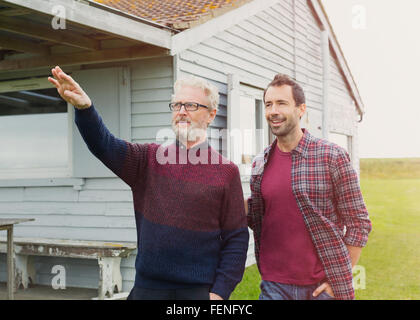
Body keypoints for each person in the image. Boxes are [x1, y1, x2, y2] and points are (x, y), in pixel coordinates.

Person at [48, 66, 249, 300]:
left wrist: (219, 293)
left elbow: (236, 239)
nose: (182, 111)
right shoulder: (148, 159)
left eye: (191, 106)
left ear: (211, 115)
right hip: (148, 289)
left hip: (197, 291)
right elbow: (104, 145)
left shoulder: (226, 172)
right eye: (177, 105)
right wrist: (85, 109)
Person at [245, 74, 372, 300]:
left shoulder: (332, 156)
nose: (273, 111)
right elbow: (258, 216)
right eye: (268, 104)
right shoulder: (260, 162)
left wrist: (339, 280)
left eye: (281, 103)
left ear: (301, 109)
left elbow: (359, 223)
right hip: (274, 286)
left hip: (321, 287)